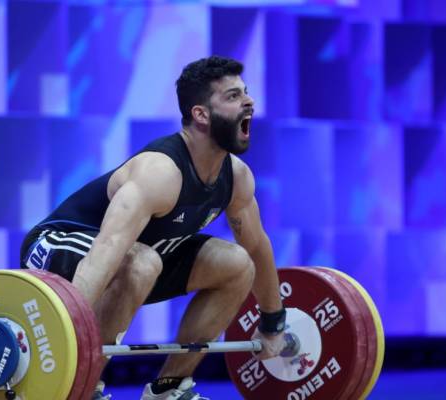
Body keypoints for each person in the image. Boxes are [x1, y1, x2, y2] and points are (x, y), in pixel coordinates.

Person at [20, 56, 286, 400]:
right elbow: (105, 252)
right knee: (140, 262)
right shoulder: (159, 172)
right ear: (201, 114)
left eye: (246, 92)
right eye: (233, 96)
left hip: (141, 260)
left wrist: (273, 322)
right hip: (59, 247)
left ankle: (168, 389)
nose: (249, 101)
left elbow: (257, 247)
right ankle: (81, 387)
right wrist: (58, 341)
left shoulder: (236, 178)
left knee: (237, 264)